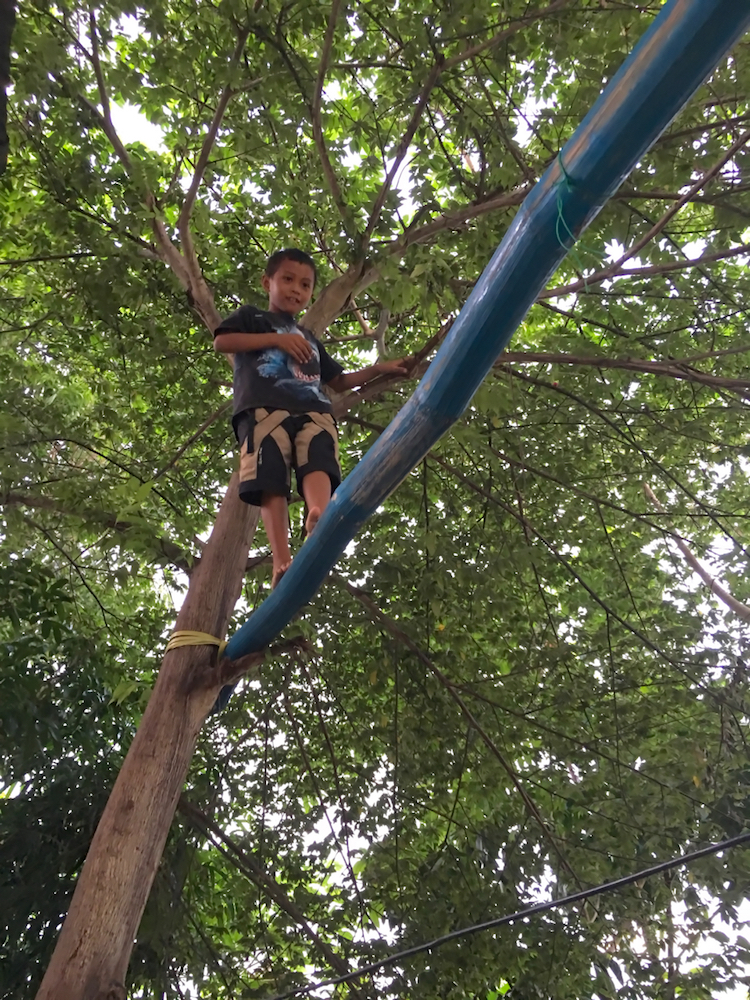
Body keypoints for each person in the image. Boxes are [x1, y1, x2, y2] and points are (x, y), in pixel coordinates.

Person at [214, 248, 409, 588]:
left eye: (305, 285)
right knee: (270, 480)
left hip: (313, 411)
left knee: (317, 458)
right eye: (287, 280)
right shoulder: (252, 318)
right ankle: (281, 559)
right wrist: (277, 340)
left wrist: (380, 369)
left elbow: (339, 381)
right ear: (267, 282)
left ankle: (317, 514)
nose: (296, 289)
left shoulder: (311, 340)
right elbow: (223, 341)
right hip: (264, 410)